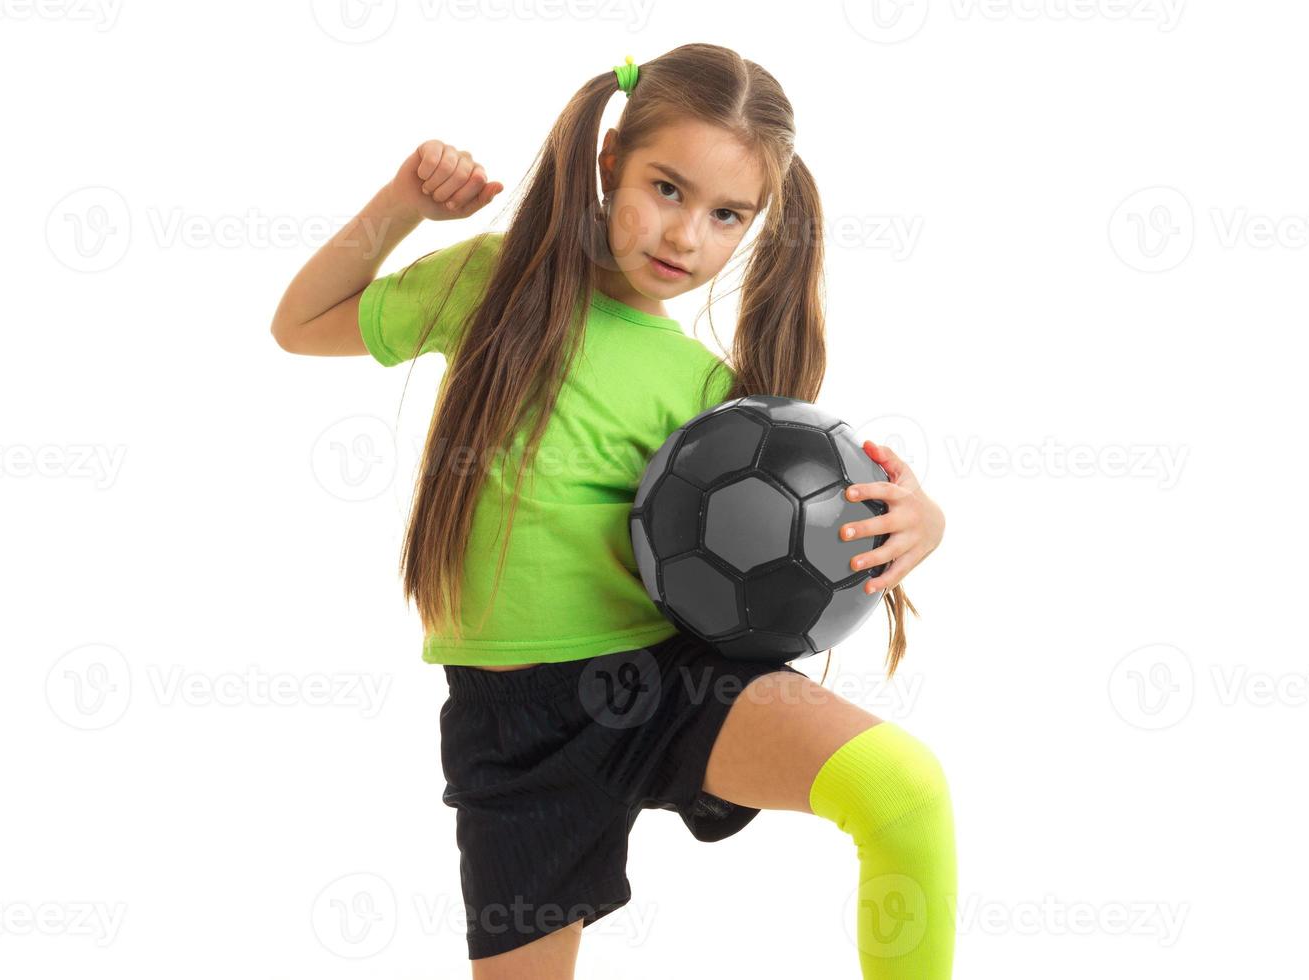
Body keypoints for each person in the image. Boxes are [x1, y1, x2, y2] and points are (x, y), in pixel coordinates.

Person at [270, 42, 955, 980]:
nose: (686, 237)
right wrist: (404, 207)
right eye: (666, 189)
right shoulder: (493, 284)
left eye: (727, 216)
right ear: (608, 165)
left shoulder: (719, 396)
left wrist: (922, 523)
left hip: (669, 683)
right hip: (514, 722)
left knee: (900, 786)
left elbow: (821, 523)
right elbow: (299, 325)